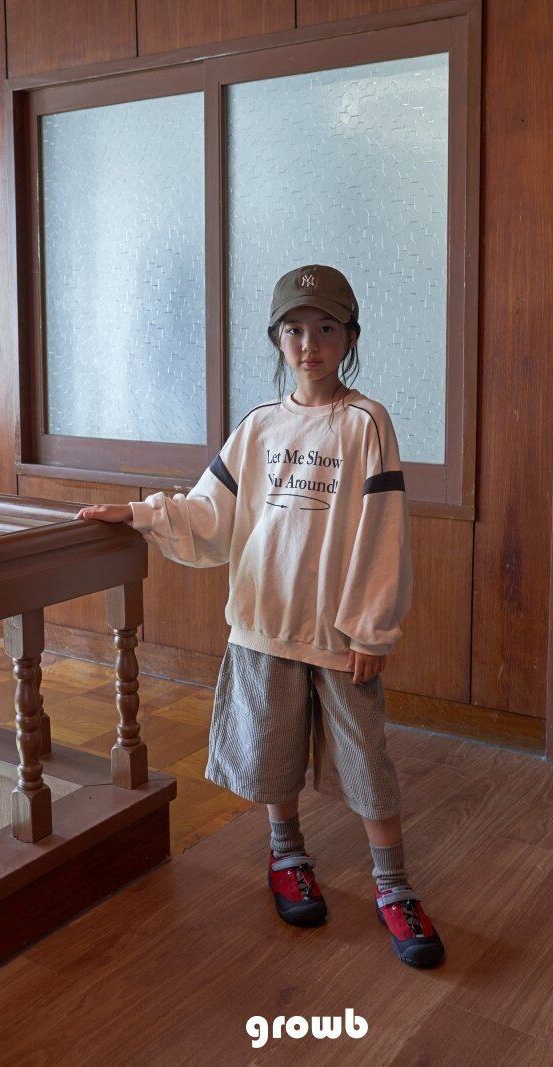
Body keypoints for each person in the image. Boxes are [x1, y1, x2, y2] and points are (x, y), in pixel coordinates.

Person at [76, 264, 444, 968]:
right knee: (273, 752)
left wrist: (372, 628)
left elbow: (384, 531)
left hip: (338, 635)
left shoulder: (366, 423)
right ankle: (287, 854)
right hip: (262, 625)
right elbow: (208, 514)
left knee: (366, 760)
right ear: (277, 339)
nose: (310, 344)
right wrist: (140, 513)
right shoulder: (258, 427)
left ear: (350, 338)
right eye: (294, 329)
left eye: (326, 328)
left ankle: (394, 887)